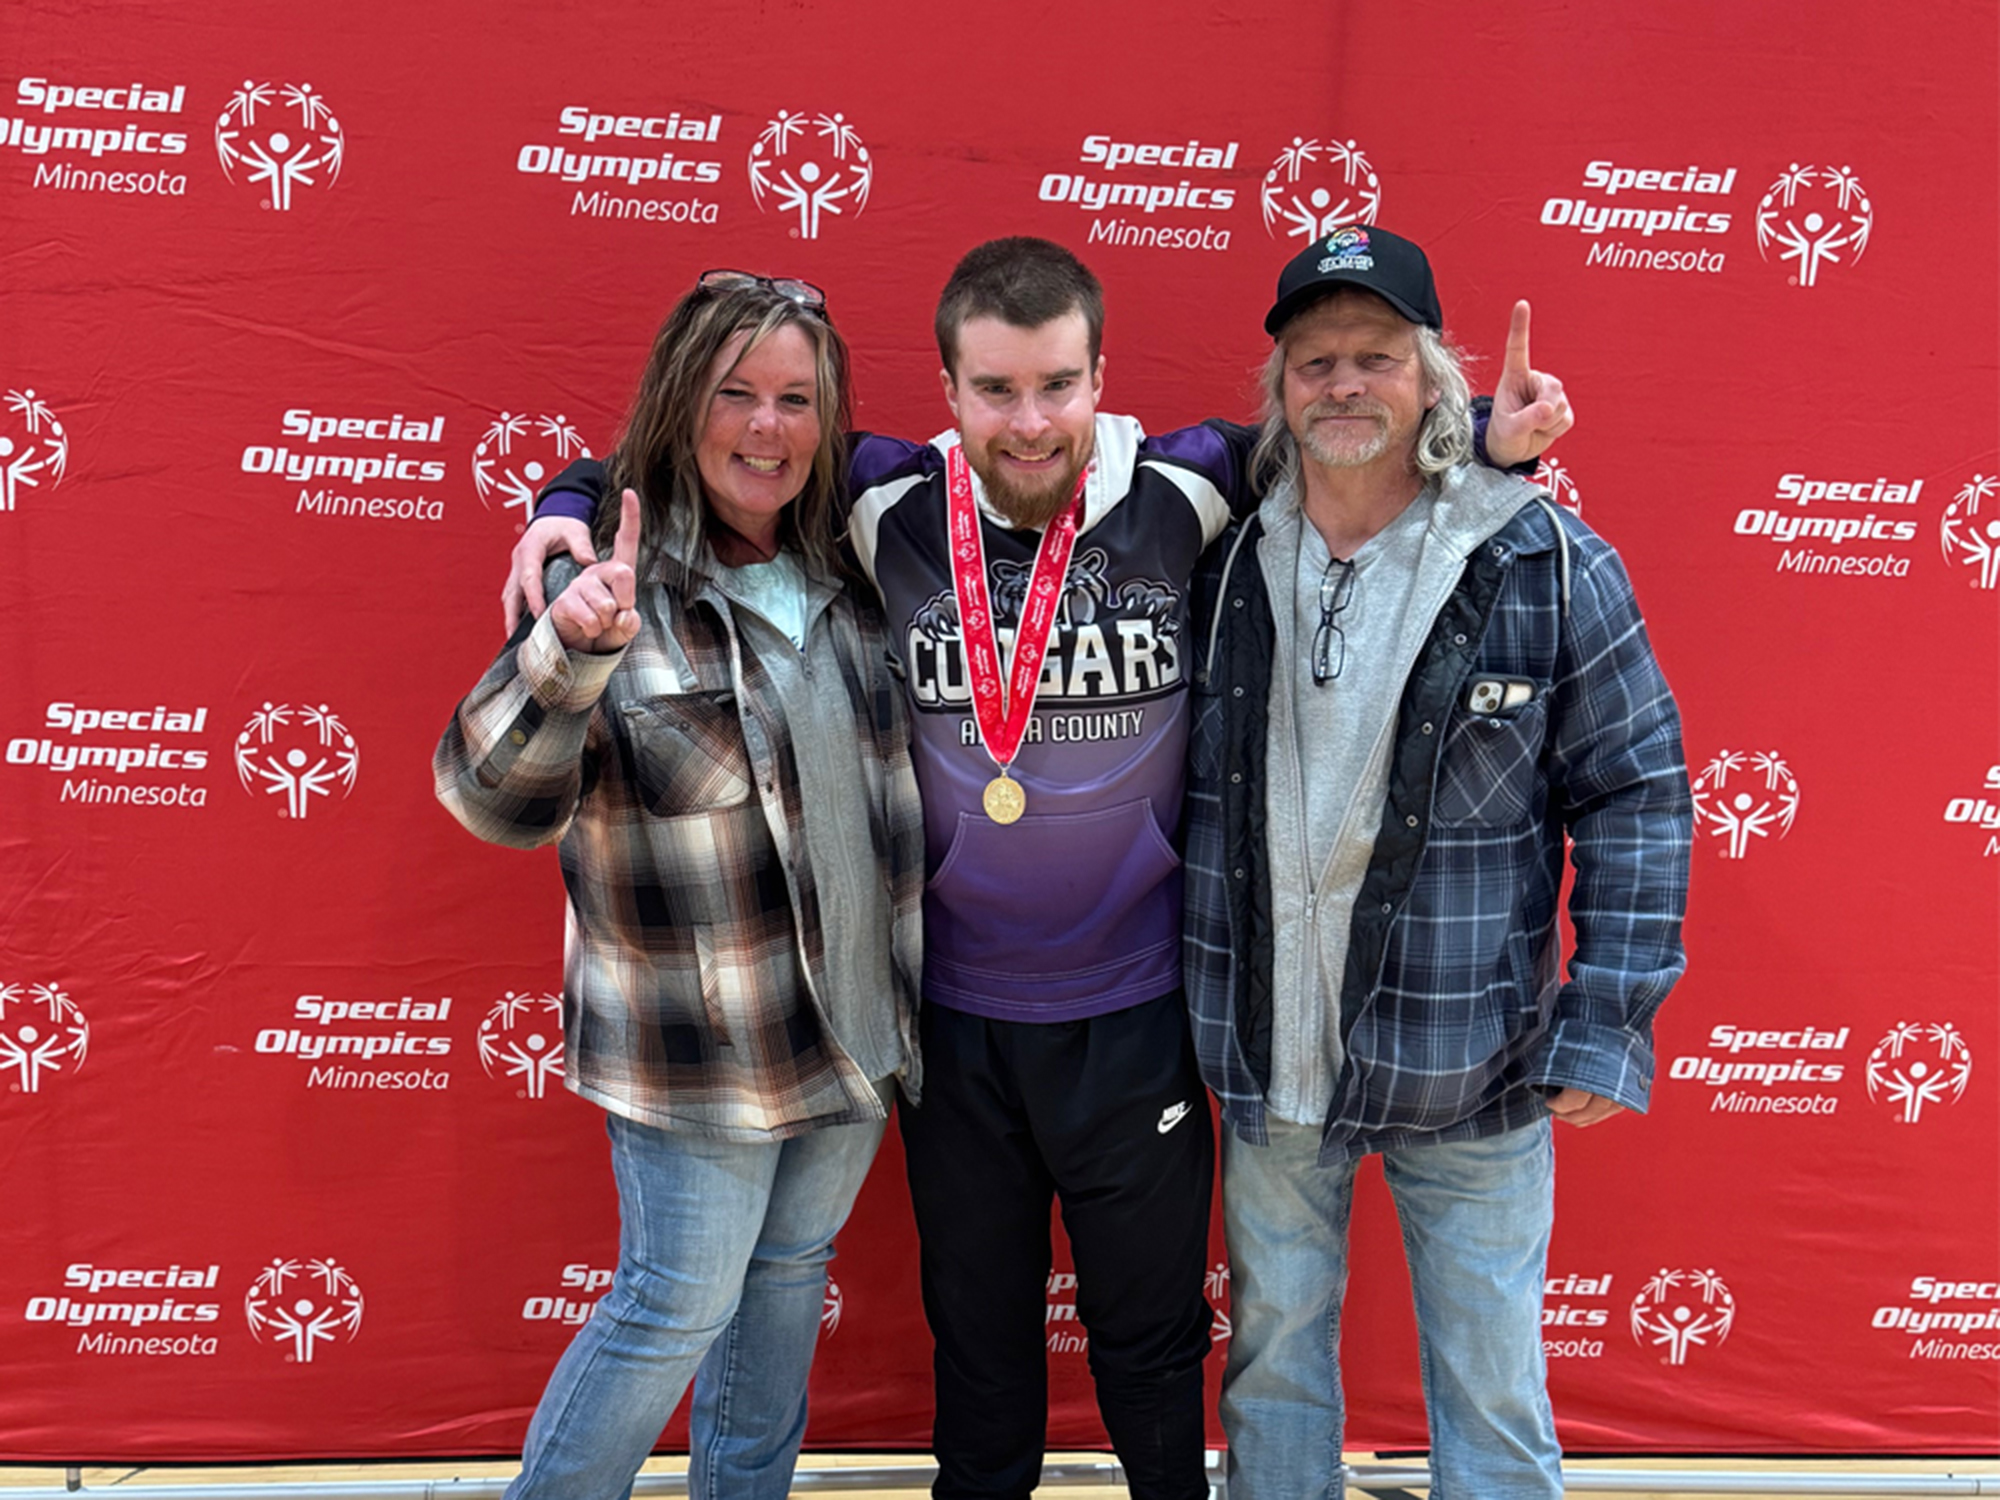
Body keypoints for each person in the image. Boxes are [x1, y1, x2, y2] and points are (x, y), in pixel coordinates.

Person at [507, 237, 1570, 1500]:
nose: (1027, 422)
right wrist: (569, 497)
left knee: (1151, 1340)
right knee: (981, 1345)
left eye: (1057, 385)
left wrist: (1491, 442)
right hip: (950, 1021)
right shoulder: (882, 494)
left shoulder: (1184, 479)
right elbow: (720, 446)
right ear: (947, 392)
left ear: (1099, 378)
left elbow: (1348, 432)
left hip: (1135, 1010)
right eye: (995, 389)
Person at [1181, 226, 1692, 1499]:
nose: (1343, 384)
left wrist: (1606, 1021)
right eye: (1314, 362)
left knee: (1489, 1385)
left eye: (1375, 357)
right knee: (1271, 1369)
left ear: (1431, 380)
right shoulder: (1224, 556)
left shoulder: (1543, 560)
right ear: (1277, 389)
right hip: (1267, 1055)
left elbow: (1634, 794)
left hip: (1473, 1063)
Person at [435, 271, 924, 1500]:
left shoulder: (865, 565)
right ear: (677, 403)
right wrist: (569, 654)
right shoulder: (608, 585)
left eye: (796, 400)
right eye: (734, 394)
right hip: (696, 1053)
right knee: (674, 1304)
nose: (767, 427)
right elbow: (488, 799)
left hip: (856, 1033)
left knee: (785, 1286)